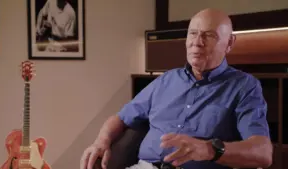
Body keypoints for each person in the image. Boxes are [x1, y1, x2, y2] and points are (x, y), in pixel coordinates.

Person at [80, 8, 273, 169]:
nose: (197, 42)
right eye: (193, 33)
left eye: (209, 35)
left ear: (229, 43)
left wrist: (209, 149)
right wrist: (101, 141)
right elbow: (121, 118)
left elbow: (263, 153)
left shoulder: (244, 86)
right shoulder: (166, 80)